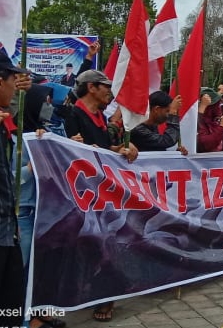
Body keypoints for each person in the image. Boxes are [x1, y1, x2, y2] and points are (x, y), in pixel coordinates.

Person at [61, 69, 138, 322]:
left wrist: (121, 149)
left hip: (102, 190)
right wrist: (78, 147)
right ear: (91, 88)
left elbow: (104, 148)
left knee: (106, 241)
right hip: (80, 192)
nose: (110, 92)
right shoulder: (71, 114)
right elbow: (65, 149)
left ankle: (106, 294)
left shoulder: (100, 117)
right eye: (105, 87)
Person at [0, 51, 29, 328]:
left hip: (8, 230)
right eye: (13, 80)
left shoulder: (3, 122)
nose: (16, 86)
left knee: (9, 310)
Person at [196, 87, 223, 153]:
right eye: (217, 105)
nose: (219, 108)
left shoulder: (213, 124)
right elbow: (207, 144)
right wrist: (222, 128)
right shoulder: (198, 124)